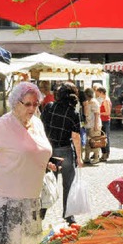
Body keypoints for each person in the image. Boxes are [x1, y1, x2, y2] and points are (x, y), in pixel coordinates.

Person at [0, 82, 53, 244]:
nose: (33, 108)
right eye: (27, 104)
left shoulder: (36, 123)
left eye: (36, 104)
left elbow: (35, 150)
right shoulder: (3, 125)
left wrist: (44, 163)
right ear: (15, 103)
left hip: (32, 202)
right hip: (8, 205)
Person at [41, 82, 83, 224]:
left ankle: (42, 210)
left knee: (47, 182)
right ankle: (68, 215)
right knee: (68, 185)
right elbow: (76, 137)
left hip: (48, 150)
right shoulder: (73, 113)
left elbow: (41, 127)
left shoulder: (49, 107)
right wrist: (79, 157)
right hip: (65, 150)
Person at [82, 87, 102, 164]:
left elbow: (97, 114)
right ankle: (86, 157)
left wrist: (96, 125)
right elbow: (86, 114)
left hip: (94, 125)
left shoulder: (94, 102)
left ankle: (96, 157)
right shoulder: (88, 102)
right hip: (89, 124)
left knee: (95, 141)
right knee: (88, 142)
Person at [95, 86, 112, 161]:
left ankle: (106, 153)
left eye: (98, 92)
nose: (97, 93)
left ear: (101, 92)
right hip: (103, 120)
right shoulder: (104, 99)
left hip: (105, 121)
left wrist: (99, 113)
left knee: (105, 138)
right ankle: (104, 153)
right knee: (103, 137)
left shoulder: (106, 100)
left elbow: (108, 112)